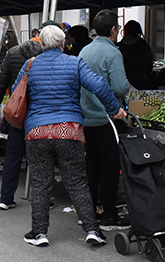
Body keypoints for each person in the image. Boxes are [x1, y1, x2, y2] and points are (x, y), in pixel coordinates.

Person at [13, 24, 125, 248]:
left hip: (37, 131)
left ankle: (39, 232)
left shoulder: (30, 65)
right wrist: (115, 109)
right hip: (69, 130)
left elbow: (17, 93)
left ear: (42, 44)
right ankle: (92, 230)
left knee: (41, 182)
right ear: (63, 44)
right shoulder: (74, 63)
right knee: (77, 181)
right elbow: (100, 86)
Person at [78, 10, 132, 231]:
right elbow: (119, 87)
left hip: (85, 117)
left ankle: (89, 211)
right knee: (109, 167)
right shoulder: (113, 53)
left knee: (91, 165)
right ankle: (109, 213)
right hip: (108, 119)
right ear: (113, 30)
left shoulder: (84, 51)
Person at [0, 23, 46, 211]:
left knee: (13, 155)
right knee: (41, 157)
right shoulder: (48, 54)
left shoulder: (13, 52)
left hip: (18, 111)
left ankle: (6, 198)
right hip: (40, 112)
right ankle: (42, 199)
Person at [117, 20, 155, 90]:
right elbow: (150, 65)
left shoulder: (119, 47)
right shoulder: (144, 46)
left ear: (126, 30)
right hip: (142, 81)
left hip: (125, 81)